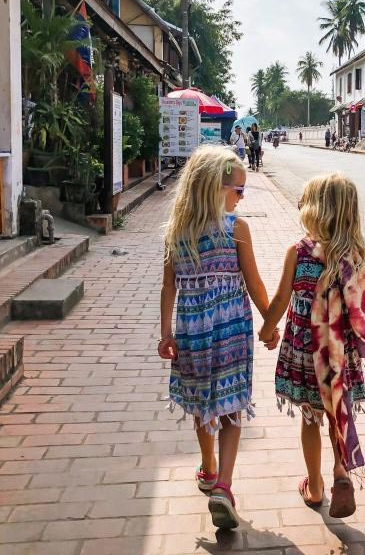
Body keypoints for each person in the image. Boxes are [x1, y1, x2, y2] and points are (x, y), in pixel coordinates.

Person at [158, 146, 279, 530]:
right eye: (239, 191)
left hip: (192, 331)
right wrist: (269, 323)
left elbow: (168, 287)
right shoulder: (236, 229)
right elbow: (255, 283)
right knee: (230, 406)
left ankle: (208, 468)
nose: (241, 199)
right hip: (230, 330)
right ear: (216, 188)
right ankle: (224, 486)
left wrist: (166, 334)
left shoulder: (176, 232)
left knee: (201, 402)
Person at [259, 174, 365, 519]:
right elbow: (360, 311)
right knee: (336, 411)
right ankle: (340, 473)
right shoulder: (353, 257)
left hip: (304, 353)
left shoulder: (298, 253)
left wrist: (267, 330)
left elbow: (281, 299)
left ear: (314, 209)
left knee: (310, 418)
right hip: (340, 356)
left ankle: (314, 487)